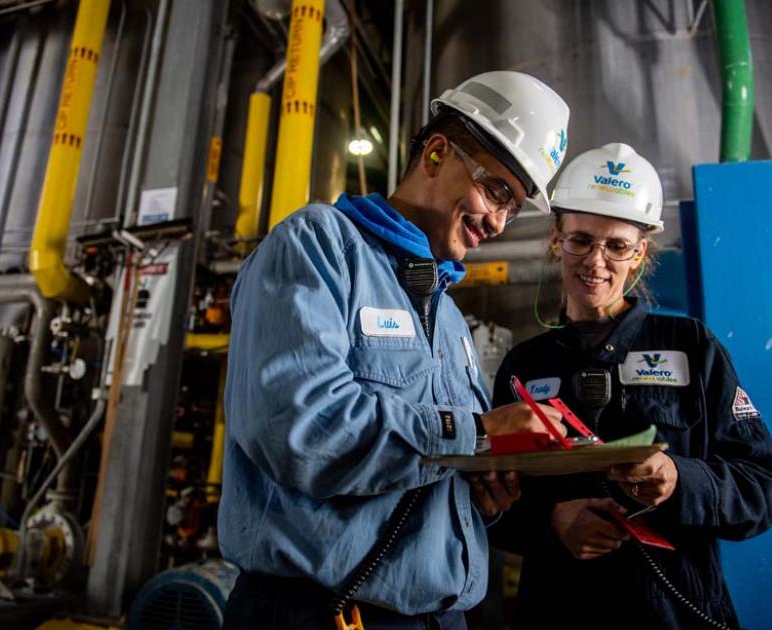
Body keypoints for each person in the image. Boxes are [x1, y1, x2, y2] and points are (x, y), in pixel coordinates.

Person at [217, 71, 570, 629]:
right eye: (497, 190)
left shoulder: (451, 320)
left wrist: (481, 494)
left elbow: (429, 460)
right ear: (435, 153)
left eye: (515, 207)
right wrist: (479, 433)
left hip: (439, 617)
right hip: (320, 613)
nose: (499, 222)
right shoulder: (318, 247)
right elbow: (300, 430)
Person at [488, 143, 772, 629]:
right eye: (580, 239)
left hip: (673, 613)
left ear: (640, 254)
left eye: (617, 246)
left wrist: (677, 479)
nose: (595, 261)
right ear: (555, 239)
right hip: (557, 612)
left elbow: (764, 488)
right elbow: (492, 495)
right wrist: (552, 523)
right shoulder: (525, 365)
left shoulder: (692, 348)